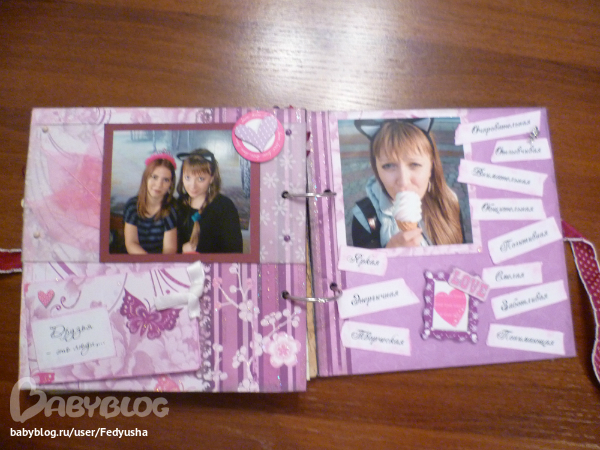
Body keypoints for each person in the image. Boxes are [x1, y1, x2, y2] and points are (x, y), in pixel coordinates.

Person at [352, 119, 464, 248]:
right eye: (388, 165)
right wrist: (389, 252)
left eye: (414, 164)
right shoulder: (365, 217)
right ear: (376, 170)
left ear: (431, 168)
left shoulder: (449, 203)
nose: (403, 181)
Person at [176, 149, 243, 253]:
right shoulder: (178, 204)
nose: (192, 185)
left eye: (200, 179)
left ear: (211, 178)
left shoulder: (224, 206)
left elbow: (235, 250)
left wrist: (200, 252)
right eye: (187, 177)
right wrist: (181, 250)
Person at [123, 152, 178, 254]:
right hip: (137, 258)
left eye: (166, 180)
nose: (159, 184)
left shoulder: (171, 208)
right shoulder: (132, 206)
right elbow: (131, 243)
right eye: (154, 177)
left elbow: (170, 248)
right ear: (146, 178)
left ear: (171, 184)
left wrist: (158, 263)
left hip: (161, 260)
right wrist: (148, 261)